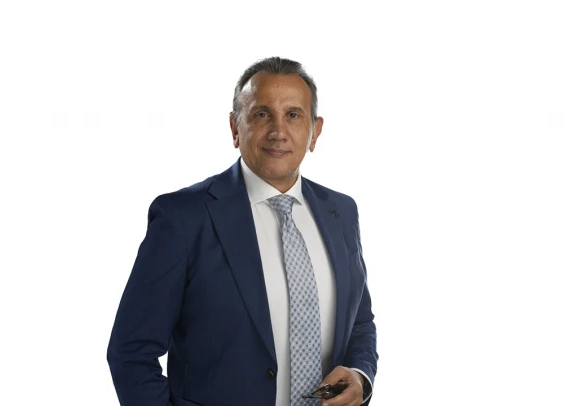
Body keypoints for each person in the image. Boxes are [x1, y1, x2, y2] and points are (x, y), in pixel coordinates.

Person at [107, 57, 378, 406]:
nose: (278, 131)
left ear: (315, 131)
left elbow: (359, 322)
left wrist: (360, 376)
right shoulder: (183, 218)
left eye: (293, 115)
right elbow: (131, 352)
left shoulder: (341, 212)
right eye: (262, 114)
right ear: (235, 127)